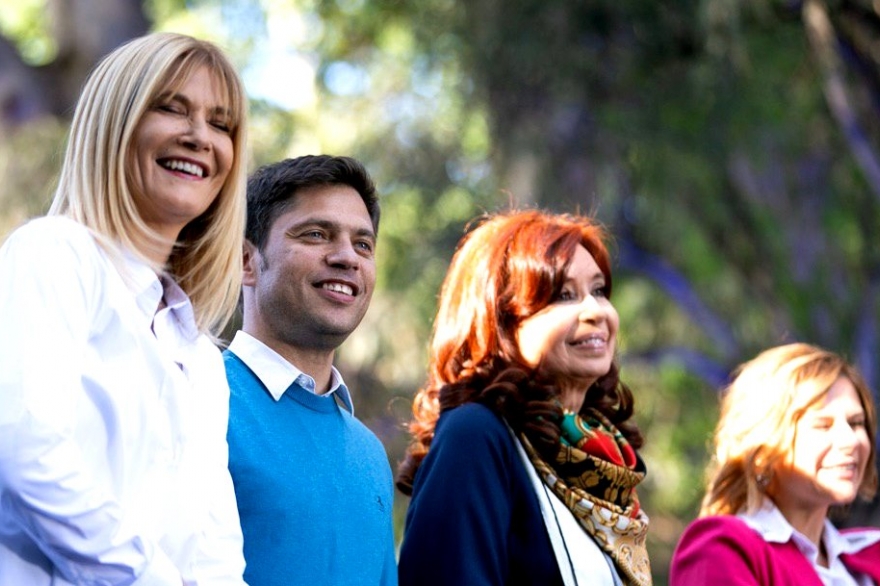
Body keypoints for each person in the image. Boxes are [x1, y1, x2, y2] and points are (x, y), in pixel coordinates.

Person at [0, 32, 249, 585]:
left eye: (221, 123)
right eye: (171, 108)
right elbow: (24, 450)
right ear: (116, 123)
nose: (199, 137)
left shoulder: (203, 359)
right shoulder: (54, 255)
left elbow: (214, 549)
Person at [396, 210, 653, 586]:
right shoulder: (476, 436)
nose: (595, 311)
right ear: (500, 322)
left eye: (598, 291)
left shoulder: (598, 459)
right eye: (564, 296)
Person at [224, 154, 396, 586]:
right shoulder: (196, 397)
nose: (347, 258)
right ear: (247, 260)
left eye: (363, 244)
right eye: (317, 234)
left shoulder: (370, 455)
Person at [669, 342, 880, 585]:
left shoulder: (870, 554)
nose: (850, 440)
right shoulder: (722, 549)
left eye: (856, 423)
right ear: (763, 446)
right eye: (823, 425)